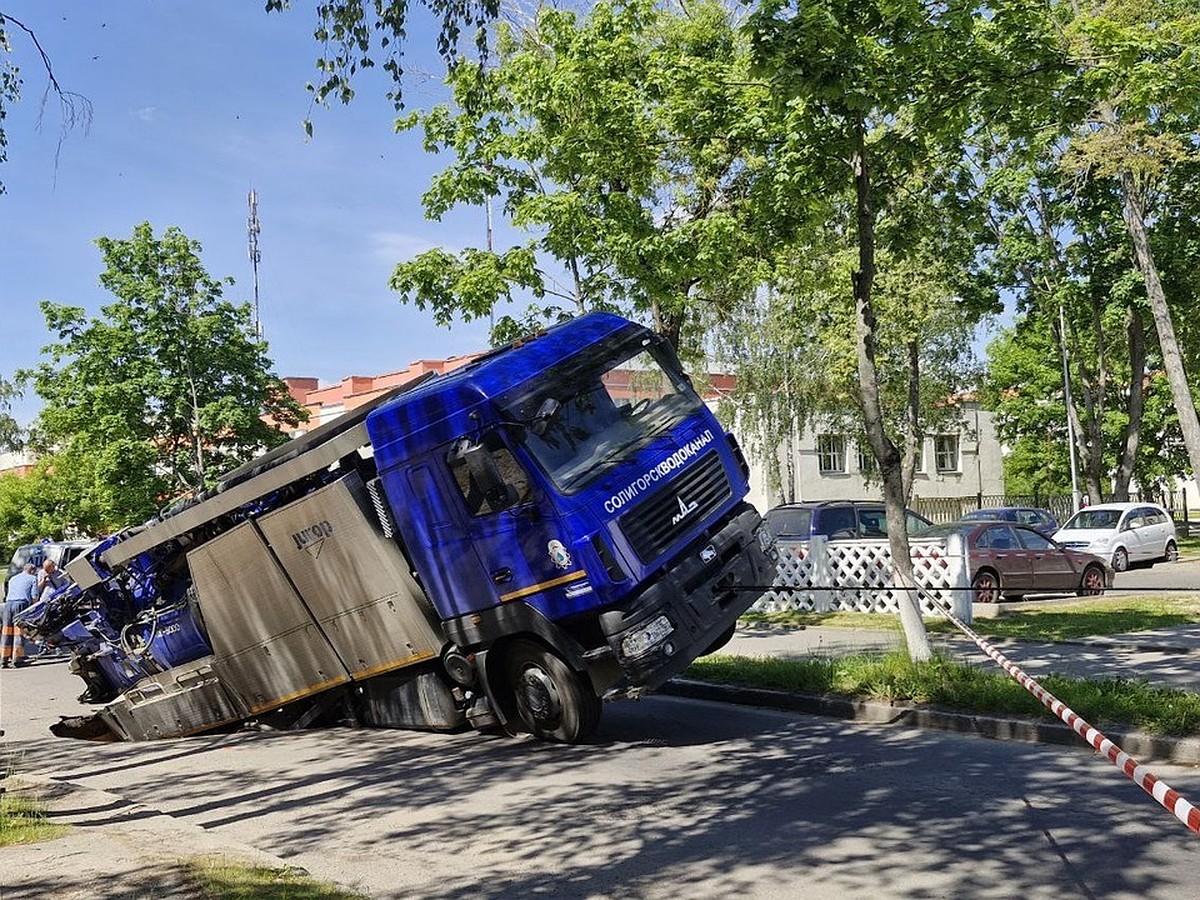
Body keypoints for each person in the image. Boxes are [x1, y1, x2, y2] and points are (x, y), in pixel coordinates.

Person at [2, 563, 38, 668]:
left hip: (8, 604)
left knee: (7, 631)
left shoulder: (13, 578)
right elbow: (34, 596)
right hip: (21, 604)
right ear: (32, 570)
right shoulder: (32, 578)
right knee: (19, 631)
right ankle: (17, 659)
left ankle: (4, 659)